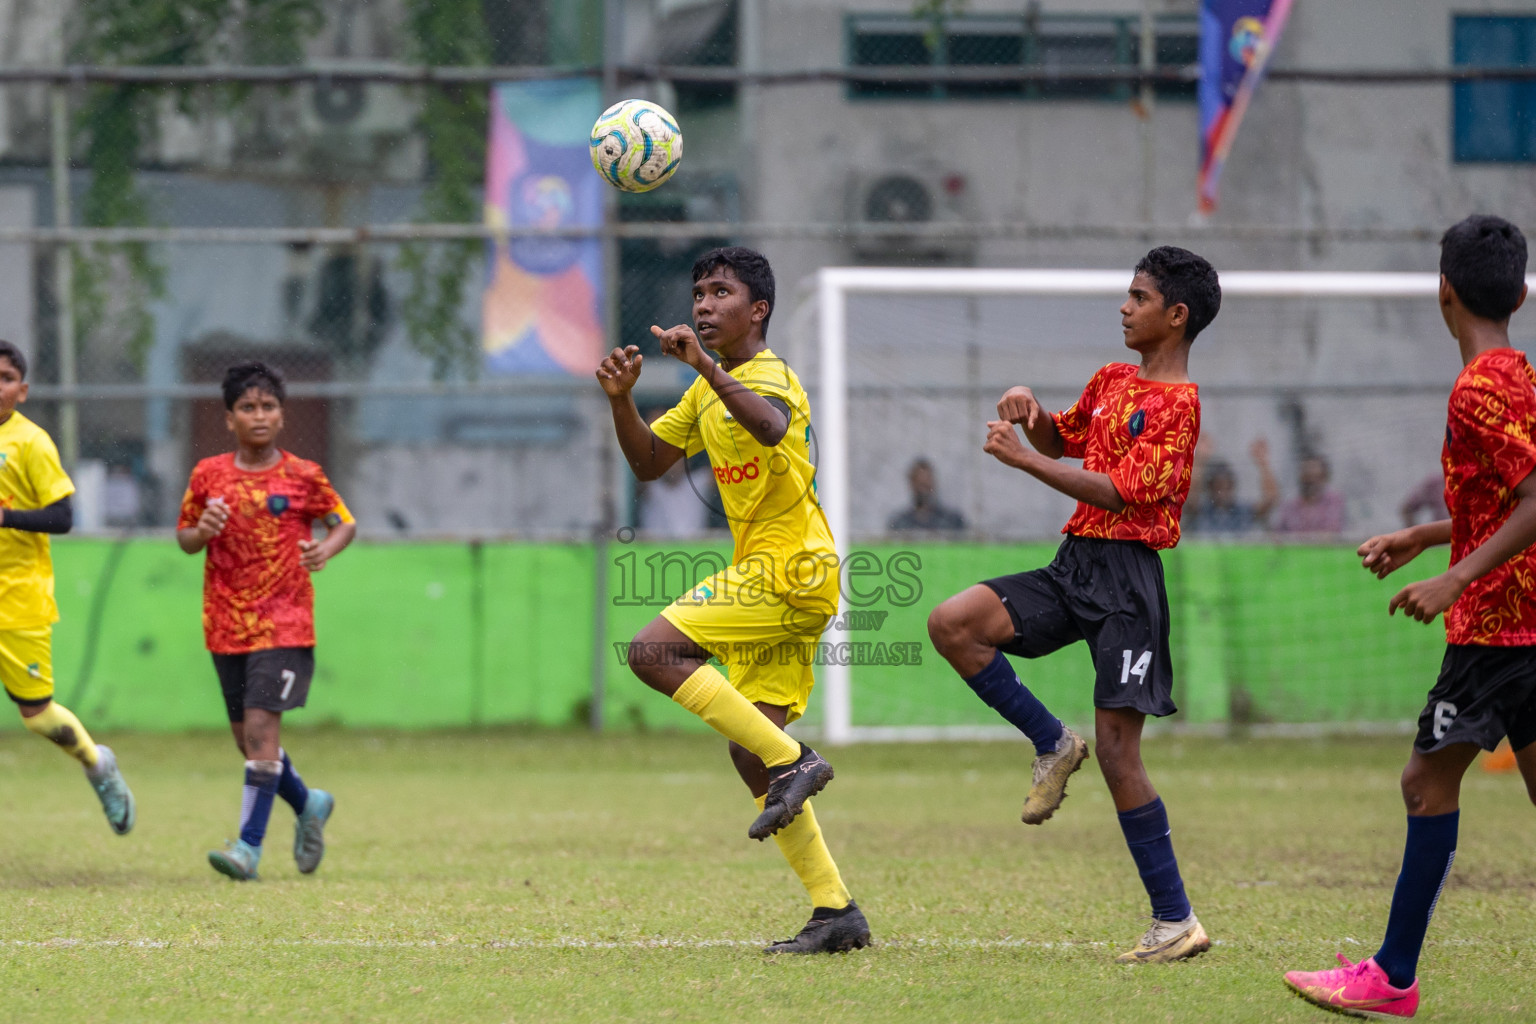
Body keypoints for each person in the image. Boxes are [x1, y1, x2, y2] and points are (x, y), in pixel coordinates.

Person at [926, 246, 1219, 964]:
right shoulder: (1114, 379)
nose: (1124, 306)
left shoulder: (1180, 405)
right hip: (1075, 564)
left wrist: (1028, 461)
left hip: (1127, 585)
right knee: (953, 623)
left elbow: (1121, 491)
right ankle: (1051, 742)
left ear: (1175, 316)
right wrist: (1032, 416)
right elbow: (1068, 436)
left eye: (1139, 297)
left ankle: (1175, 921)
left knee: (1121, 756)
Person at [1282, 215, 1533, 1019]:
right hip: (1525, 623)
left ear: (1443, 292)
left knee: (1426, 783)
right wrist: (1425, 538)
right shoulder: (1518, 374)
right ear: (1522, 294)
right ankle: (1391, 973)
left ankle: (1391, 977)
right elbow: (1503, 501)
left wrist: (1454, 578)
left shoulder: (1479, 387)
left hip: (1498, 630)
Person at [596, 246, 870, 954]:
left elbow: (772, 427)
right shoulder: (703, 390)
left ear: (759, 310)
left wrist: (702, 368)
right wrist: (622, 400)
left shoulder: (772, 377)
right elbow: (651, 463)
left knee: (651, 650)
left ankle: (800, 761)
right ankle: (834, 911)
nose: (704, 304)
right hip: (775, 574)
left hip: (792, 568)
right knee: (754, 757)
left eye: (721, 292)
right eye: (698, 292)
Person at [177, 361, 355, 881]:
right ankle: (308, 802)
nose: (259, 415)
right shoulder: (209, 475)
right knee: (249, 742)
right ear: (229, 417)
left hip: (285, 622)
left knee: (259, 731)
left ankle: (247, 850)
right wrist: (203, 530)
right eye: (248, 407)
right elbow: (185, 538)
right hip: (225, 623)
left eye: (269, 406)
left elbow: (344, 523)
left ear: (282, 415)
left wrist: (325, 548)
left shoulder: (304, 475)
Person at [0, 340, 135, 835]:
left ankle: (97, 765)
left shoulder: (31, 443)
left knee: (36, 716)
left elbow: (62, 517)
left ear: (23, 389)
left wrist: (6, 517)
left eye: (6, 378)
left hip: (19, 598)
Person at [1184, 438, 1278, 535]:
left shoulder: (1242, 511)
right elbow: (1188, 498)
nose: (1222, 492)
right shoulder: (1202, 511)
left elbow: (1270, 500)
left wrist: (1263, 465)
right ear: (1210, 488)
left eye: (1227, 486)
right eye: (1218, 486)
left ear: (1233, 486)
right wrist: (1199, 461)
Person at [1272, 452, 1346, 536]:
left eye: (1314, 477)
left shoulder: (1333, 501)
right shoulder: (1290, 505)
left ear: (1324, 477)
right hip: (1294, 548)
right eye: (1306, 476)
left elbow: (1331, 533)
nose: (1310, 482)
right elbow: (1278, 535)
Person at [888, 457, 966, 532]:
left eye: (926, 485)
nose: (923, 491)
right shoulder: (899, 523)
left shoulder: (952, 521)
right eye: (919, 484)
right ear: (911, 485)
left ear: (934, 484)